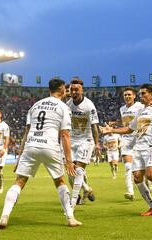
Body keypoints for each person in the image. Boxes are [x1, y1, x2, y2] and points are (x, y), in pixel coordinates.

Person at [0, 78, 81, 229]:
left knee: (19, 182)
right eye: (65, 89)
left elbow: (26, 132)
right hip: (50, 146)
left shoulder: (35, 106)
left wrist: (20, 157)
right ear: (62, 90)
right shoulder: (63, 107)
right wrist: (69, 161)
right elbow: (65, 135)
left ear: (49, 90)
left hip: (31, 145)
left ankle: (4, 216)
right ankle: (70, 218)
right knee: (60, 181)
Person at [100, 84, 152, 216]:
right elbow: (129, 129)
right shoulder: (140, 112)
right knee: (137, 177)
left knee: (151, 176)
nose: (141, 96)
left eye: (143, 93)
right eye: (141, 93)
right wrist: (111, 130)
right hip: (138, 148)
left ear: (151, 94)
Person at [66, 78, 100, 207]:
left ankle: (73, 201)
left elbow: (94, 126)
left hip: (86, 140)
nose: (74, 91)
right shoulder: (68, 104)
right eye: (72, 89)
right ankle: (85, 188)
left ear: (82, 90)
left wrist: (96, 144)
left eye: (76, 89)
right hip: (71, 140)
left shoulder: (89, 105)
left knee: (79, 170)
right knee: (70, 171)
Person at [116, 87, 144, 200]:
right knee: (128, 167)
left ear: (134, 96)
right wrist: (115, 123)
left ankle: (147, 182)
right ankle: (130, 191)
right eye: (125, 95)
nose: (127, 96)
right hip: (126, 140)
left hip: (139, 139)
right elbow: (125, 123)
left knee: (141, 168)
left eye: (129, 95)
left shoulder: (140, 106)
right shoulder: (122, 109)